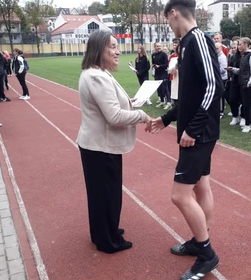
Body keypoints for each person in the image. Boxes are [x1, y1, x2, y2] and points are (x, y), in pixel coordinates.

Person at [148, 0, 223, 278]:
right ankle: (198, 239)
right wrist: (166, 119)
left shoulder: (199, 39)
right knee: (201, 186)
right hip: (195, 130)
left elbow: (215, 86)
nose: (168, 23)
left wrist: (193, 128)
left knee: (179, 195)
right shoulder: (187, 44)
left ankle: (207, 254)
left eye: (167, 18)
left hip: (199, 133)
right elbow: (190, 94)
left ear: (174, 12)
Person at [77, 29, 151, 254]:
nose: (117, 52)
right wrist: (142, 115)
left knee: (104, 193)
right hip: (100, 146)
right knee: (105, 194)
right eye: (112, 47)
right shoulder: (97, 76)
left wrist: (130, 101)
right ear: (100, 50)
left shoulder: (98, 72)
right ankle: (107, 241)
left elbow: (108, 105)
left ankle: (105, 231)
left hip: (100, 144)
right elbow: (114, 116)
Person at [238, 37, 251, 133]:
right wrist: (233, 70)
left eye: (240, 44)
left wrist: (249, 83)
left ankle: (247, 124)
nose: (238, 46)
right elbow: (243, 70)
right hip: (244, 83)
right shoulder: (244, 55)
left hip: (247, 84)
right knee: (247, 104)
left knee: (247, 104)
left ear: (246, 44)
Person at [152, 42, 171, 109]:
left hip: (163, 73)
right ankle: (162, 102)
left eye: (160, 46)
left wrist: (159, 66)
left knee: (165, 88)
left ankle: (169, 102)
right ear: (155, 47)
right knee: (159, 88)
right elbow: (153, 63)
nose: (159, 47)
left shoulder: (164, 54)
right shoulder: (153, 55)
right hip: (157, 74)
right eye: (157, 46)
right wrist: (153, 66)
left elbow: (166, 64)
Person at [215, 42, 227, 118]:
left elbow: (223, 69)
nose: (215, 50)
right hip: (217, 78)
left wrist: (214, 70)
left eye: (217, 48)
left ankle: (221, 112)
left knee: (220, 95)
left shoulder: (222, 57)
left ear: (221, 48)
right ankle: (218, 110)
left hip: (222, 78)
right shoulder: (216, 56)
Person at [169, 39, 180, 107]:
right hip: (177, 83)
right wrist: (177, 64)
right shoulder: (173, 59)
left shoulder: (188, 58)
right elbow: (171, 71)